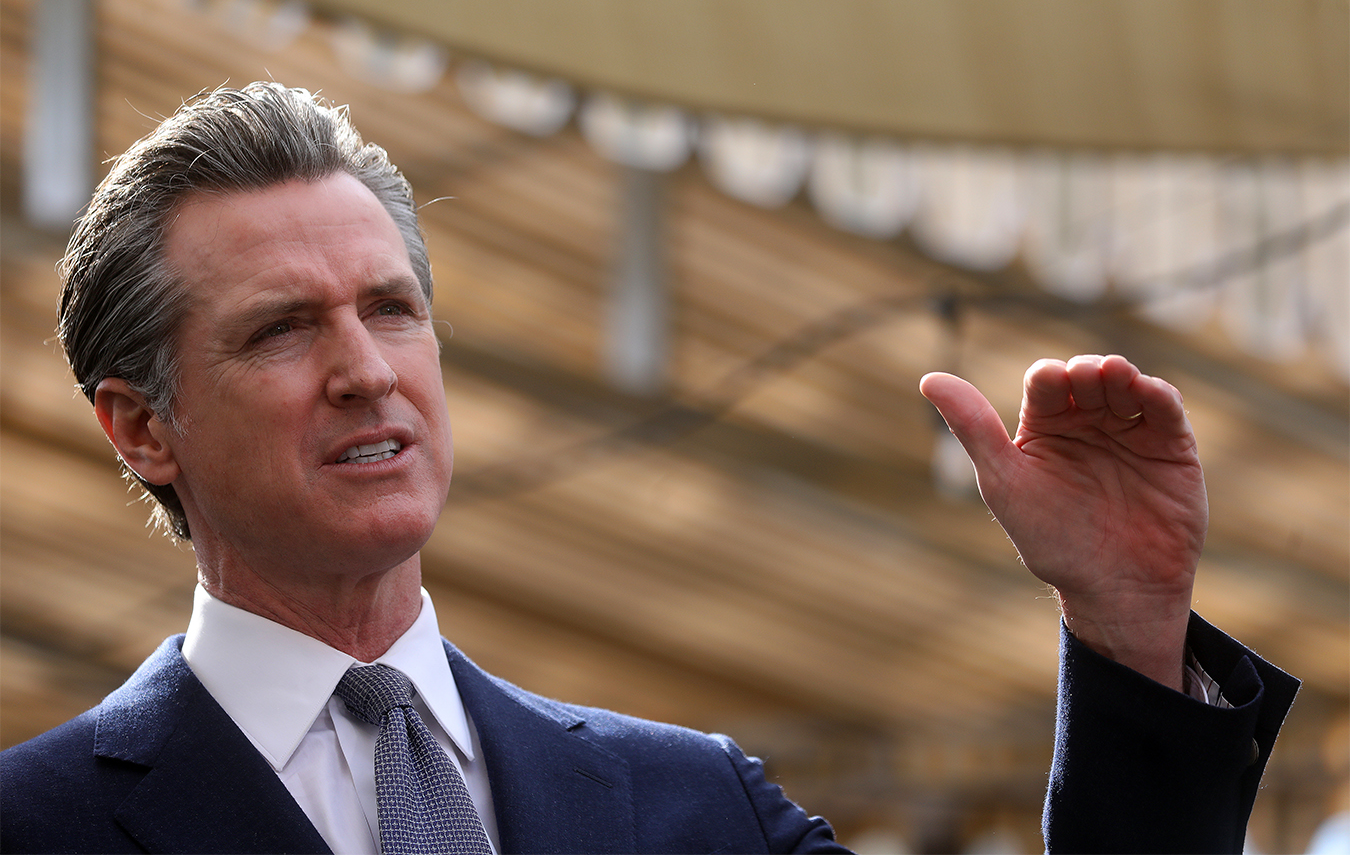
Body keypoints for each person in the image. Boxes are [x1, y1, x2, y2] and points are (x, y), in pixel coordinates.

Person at [0, 83, 1297, 854]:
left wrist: (1126, 632)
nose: (364, 370)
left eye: (391, 309)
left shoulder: (691, 807)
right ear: (140, 427)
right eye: (283, 329)